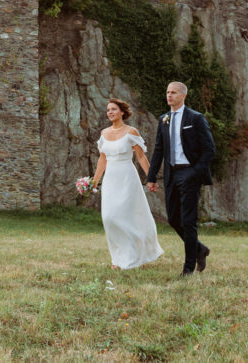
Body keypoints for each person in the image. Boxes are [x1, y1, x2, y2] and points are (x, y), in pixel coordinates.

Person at [146, 81, 215, 276]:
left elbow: (209, 149)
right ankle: (200, 249)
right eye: (167, 92)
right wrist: (151, 177)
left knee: (188, 220)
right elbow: (159, 150)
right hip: (171, 174)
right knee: (174, 219)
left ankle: (188, 268)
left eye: (173, 93)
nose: (169, 96)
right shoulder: (164, 119)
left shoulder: (196, 118)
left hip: (189, 173)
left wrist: (195, 173)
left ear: (183, 96)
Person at [91, 98, 164, 270]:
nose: (110, 112)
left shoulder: (131, 132)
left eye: (114, 109)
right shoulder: (104, 133)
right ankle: (117, 257)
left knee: (126, 217)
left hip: (127, 178)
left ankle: (131, 257)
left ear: (122, 112)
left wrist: (150, 178)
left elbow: (141, 157)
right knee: (109, 218)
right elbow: (102, 160)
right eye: (108, 110)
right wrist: (94, 182)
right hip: (110, 179)